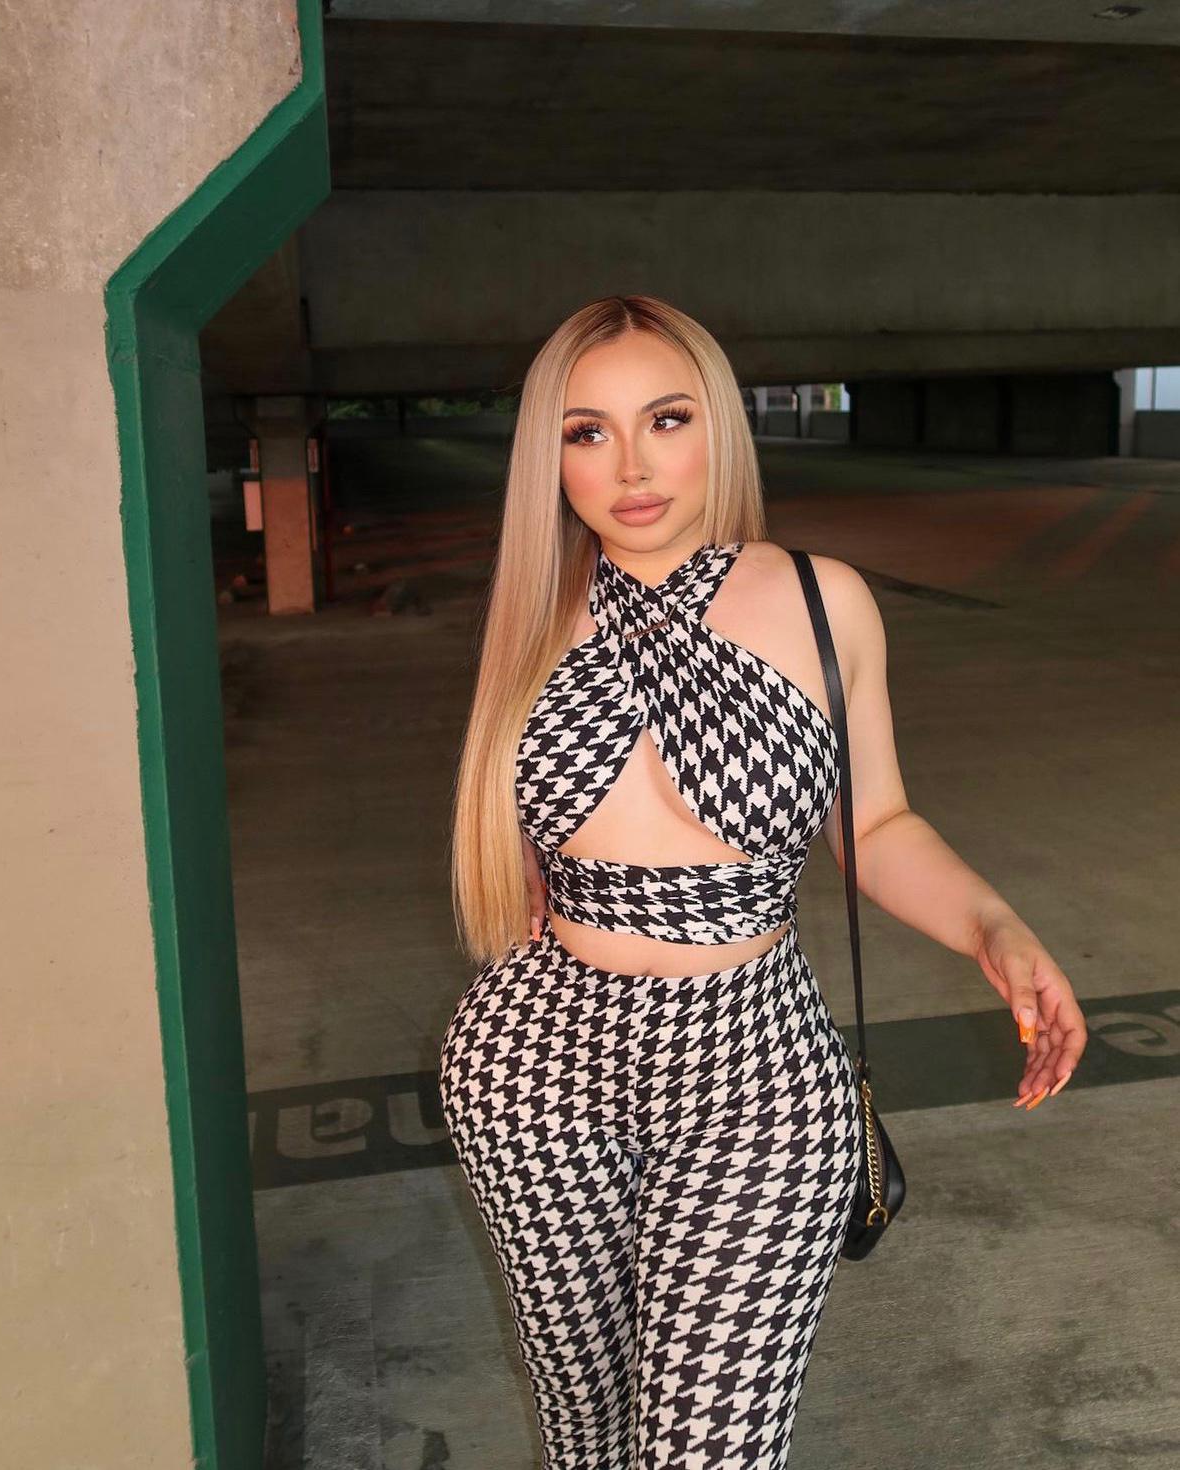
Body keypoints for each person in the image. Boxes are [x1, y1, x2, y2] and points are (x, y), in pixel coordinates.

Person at [438, 294, 1088, 1470]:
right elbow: (523, 830)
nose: (632, 467)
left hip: (753, 1063)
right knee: (586, 1434)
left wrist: (993, 926)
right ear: (551, 457)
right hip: (535, 1061)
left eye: (666, 419)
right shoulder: (533, 610)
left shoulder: (821, 602)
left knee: (706, 1449)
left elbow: (875, 821)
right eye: (587, 432)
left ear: (718, 427)